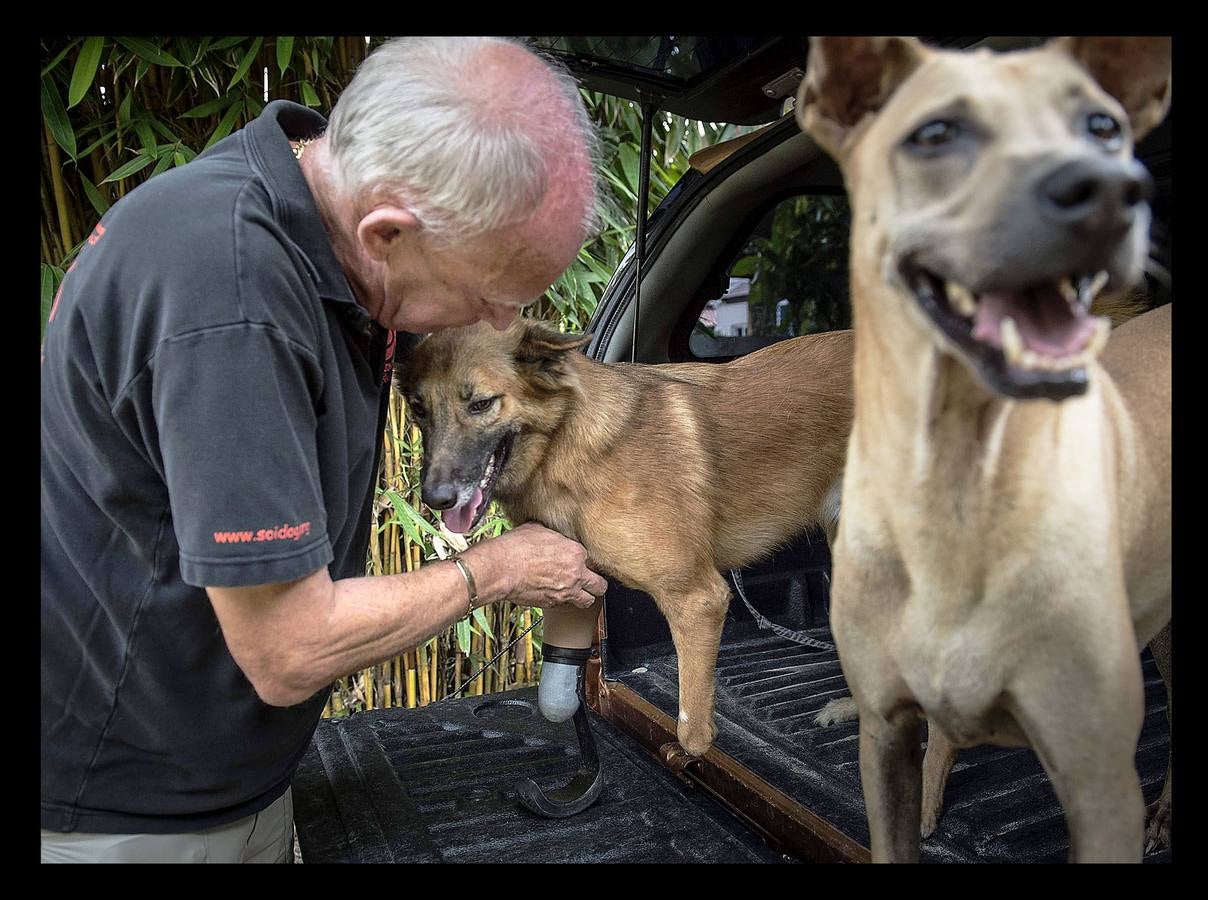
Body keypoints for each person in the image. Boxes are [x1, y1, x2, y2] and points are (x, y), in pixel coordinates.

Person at [41, 35, 608, 863]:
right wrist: (497, 569)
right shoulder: (230, 296)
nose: (496, 324)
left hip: (227, 778)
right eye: (491, 295)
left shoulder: (308, 228)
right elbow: (290, 648)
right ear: (387, 232)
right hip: (132, 809)